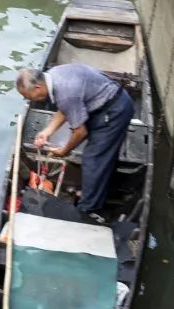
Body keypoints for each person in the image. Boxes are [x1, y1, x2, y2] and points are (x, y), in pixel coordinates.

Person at [16, 64, 134, 222]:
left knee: (93, 159)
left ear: (38, 87)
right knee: (102, 156)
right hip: (103, 103)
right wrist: (47, 131)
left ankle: (87, 211)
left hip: (114, 111)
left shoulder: (65, 93)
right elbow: (65, 108)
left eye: (28, 97)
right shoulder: (53, 76)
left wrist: (64, 150)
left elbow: (80, 132)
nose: (29, 100)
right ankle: (101, 191)